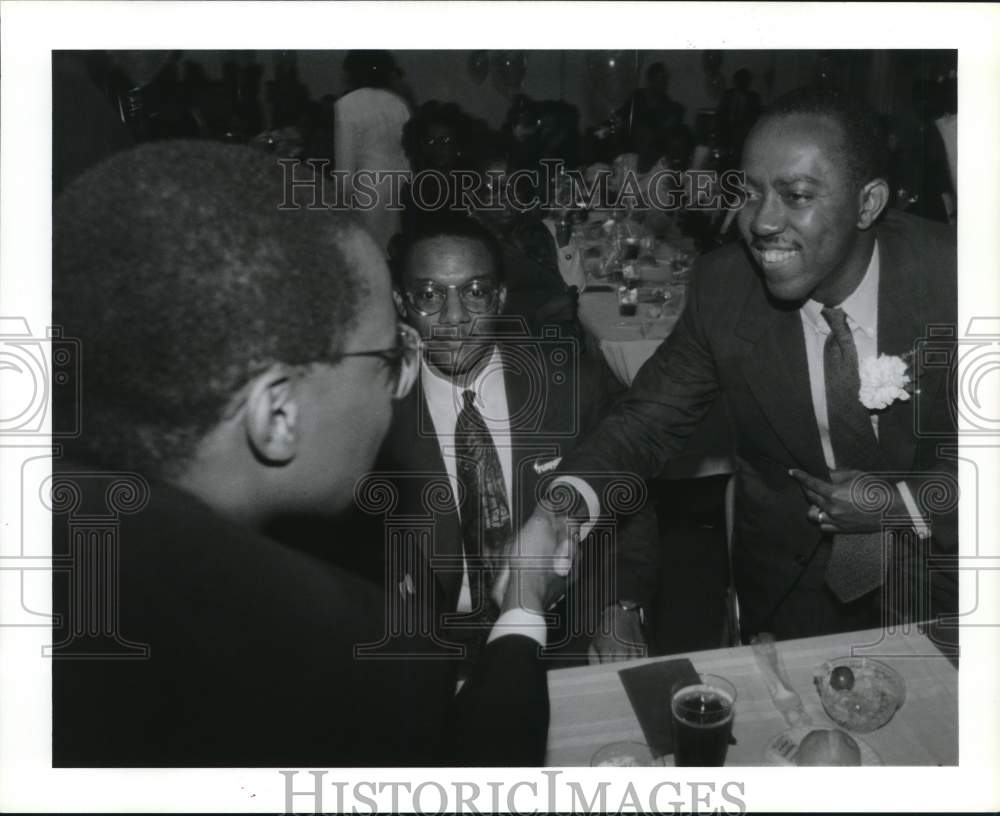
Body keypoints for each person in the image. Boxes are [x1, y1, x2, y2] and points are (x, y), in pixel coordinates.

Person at [51, 141, 565, 767]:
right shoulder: (346, 656)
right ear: (278, 415)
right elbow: (486, 775)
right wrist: (522, 608)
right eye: (387, 359)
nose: (403, 383)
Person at [511, 87, 958, 643]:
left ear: (868, 203)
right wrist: (564, 506)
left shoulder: (957, 281)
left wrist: (902, 505)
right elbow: (646, 421)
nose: (760, 222)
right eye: (749, 193)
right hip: (794, 585)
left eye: (795, 195)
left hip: (947, 578)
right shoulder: (726, 287)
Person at [380, 216, 660, 666]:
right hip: (429, 648)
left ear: (501, 298)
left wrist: (620, 607)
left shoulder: (568, 385)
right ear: (401, 303)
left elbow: (629, 506)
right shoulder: (374, 413)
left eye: (475, 292)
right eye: (430, 295)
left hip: (561, 628)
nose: (454, 317)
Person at [333, 50, 411, 254]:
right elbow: (406, 152)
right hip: (398, 184)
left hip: (366, 187)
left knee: (368, 252)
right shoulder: (398, 103)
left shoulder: (347, 104)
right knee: (393, 249)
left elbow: (345, 162)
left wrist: (341, 202)